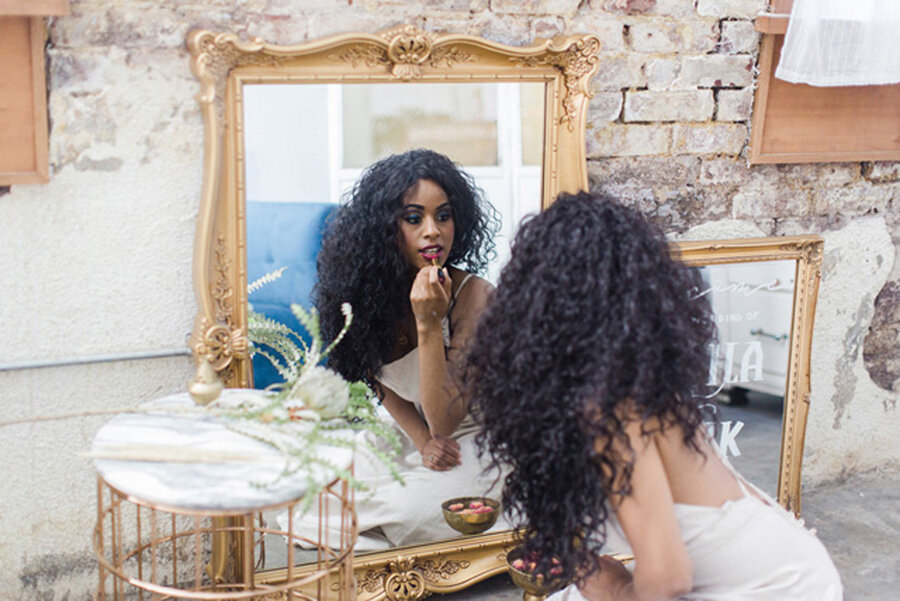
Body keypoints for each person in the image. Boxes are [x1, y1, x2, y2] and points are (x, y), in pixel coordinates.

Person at [464, 192, 842, 600]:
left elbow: (667, 578)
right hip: (789, 566)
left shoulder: (609, 410)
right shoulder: (627, 387)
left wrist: (616, 590)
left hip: (775, 589)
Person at [279, 148, 504, 549]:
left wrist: (429, 322)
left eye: (444, 215)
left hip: (485, 439)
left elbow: (447, 423)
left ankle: (386, 530)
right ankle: (378, 527)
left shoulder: (476, 297)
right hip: (421, 429)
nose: (432, 230)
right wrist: (421, 442)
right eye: (414, 218)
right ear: (385, 228)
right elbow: (376, 379)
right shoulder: (369, 295)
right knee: (315, 484)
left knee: (416, 508)